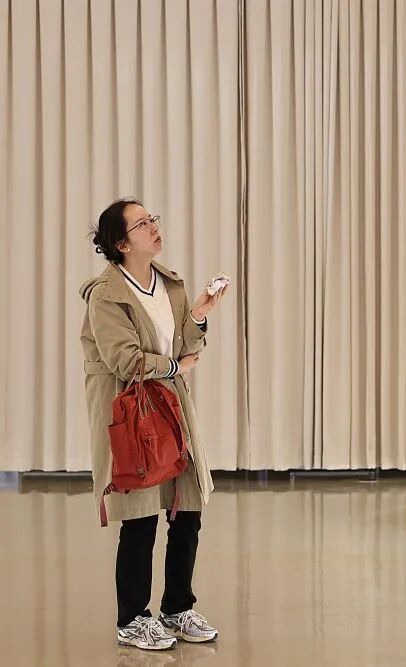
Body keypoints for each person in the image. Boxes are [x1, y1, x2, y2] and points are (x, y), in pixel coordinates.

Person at [80, 198, 228, 651]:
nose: (154, 227)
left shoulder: (170, 284)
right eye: (142, 224)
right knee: (140, 517)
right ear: (122, 244)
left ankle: (177, 608)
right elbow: (125, 361)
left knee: (188, 509)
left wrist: (198, 314)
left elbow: (185, 346)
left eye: (153, 219)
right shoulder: (106, 295)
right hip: (131, 414)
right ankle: (132, 619)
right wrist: (175, 367)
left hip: (171, 407)